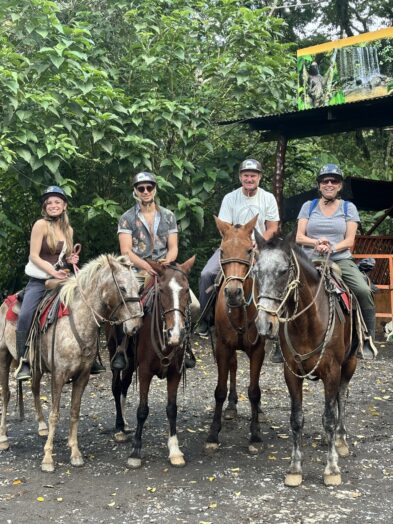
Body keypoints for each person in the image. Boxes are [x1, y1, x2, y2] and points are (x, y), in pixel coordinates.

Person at [15, 186, 106, 381]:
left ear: (64, 206)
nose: (53, 205)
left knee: (88, 306)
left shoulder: (68, 230)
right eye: (49, 203)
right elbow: (33, 255)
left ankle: (91, 355)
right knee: (25, 314)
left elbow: (64, 258)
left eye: (57, 202)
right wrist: (52, 271)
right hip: (40, 280)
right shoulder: (40, 225)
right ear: (45, 207)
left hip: (61, 280)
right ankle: (25, 360)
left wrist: (70, 260)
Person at [197, 159, 280, 352]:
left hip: (258, 246)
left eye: (253, 175)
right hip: (233, 246)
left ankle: (279, 331)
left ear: (259, 177)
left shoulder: (267, 198)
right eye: (246, 175)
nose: (249, 178)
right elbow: (224, 228)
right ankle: (205, 318)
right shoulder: (230, 198)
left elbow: (273, 227)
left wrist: (257, 241)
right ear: (240, 177)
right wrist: (238, 240)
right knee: (207, 274)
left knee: (276, 277)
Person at [296, 163, 378, 359]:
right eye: (325, 181)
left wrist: (331, 247)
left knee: (363, 290)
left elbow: (350, 241)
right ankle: (280, 339)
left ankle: (367, 338)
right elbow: (299, 237)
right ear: (319, 185)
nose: (329, 184)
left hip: (339, 259)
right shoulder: (309, 206)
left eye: (334, 181)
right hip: (309, 259)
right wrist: (316, 242)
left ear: (340, 186)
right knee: (287, 286)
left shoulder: (349, 208)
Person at [117, 171, 198, 368]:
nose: (145, 191)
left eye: (149, 187)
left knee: (194, 305)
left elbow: (174, 247)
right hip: (138, 268)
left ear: (155, 189)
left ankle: (185, 343)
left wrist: (166, 263)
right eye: (141, 188)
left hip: (165, 268)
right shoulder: (126, 218)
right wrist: (147, 267)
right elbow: (126, 251)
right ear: (135, 191)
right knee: (125, 306)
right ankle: (122, 348)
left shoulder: (168, 216)